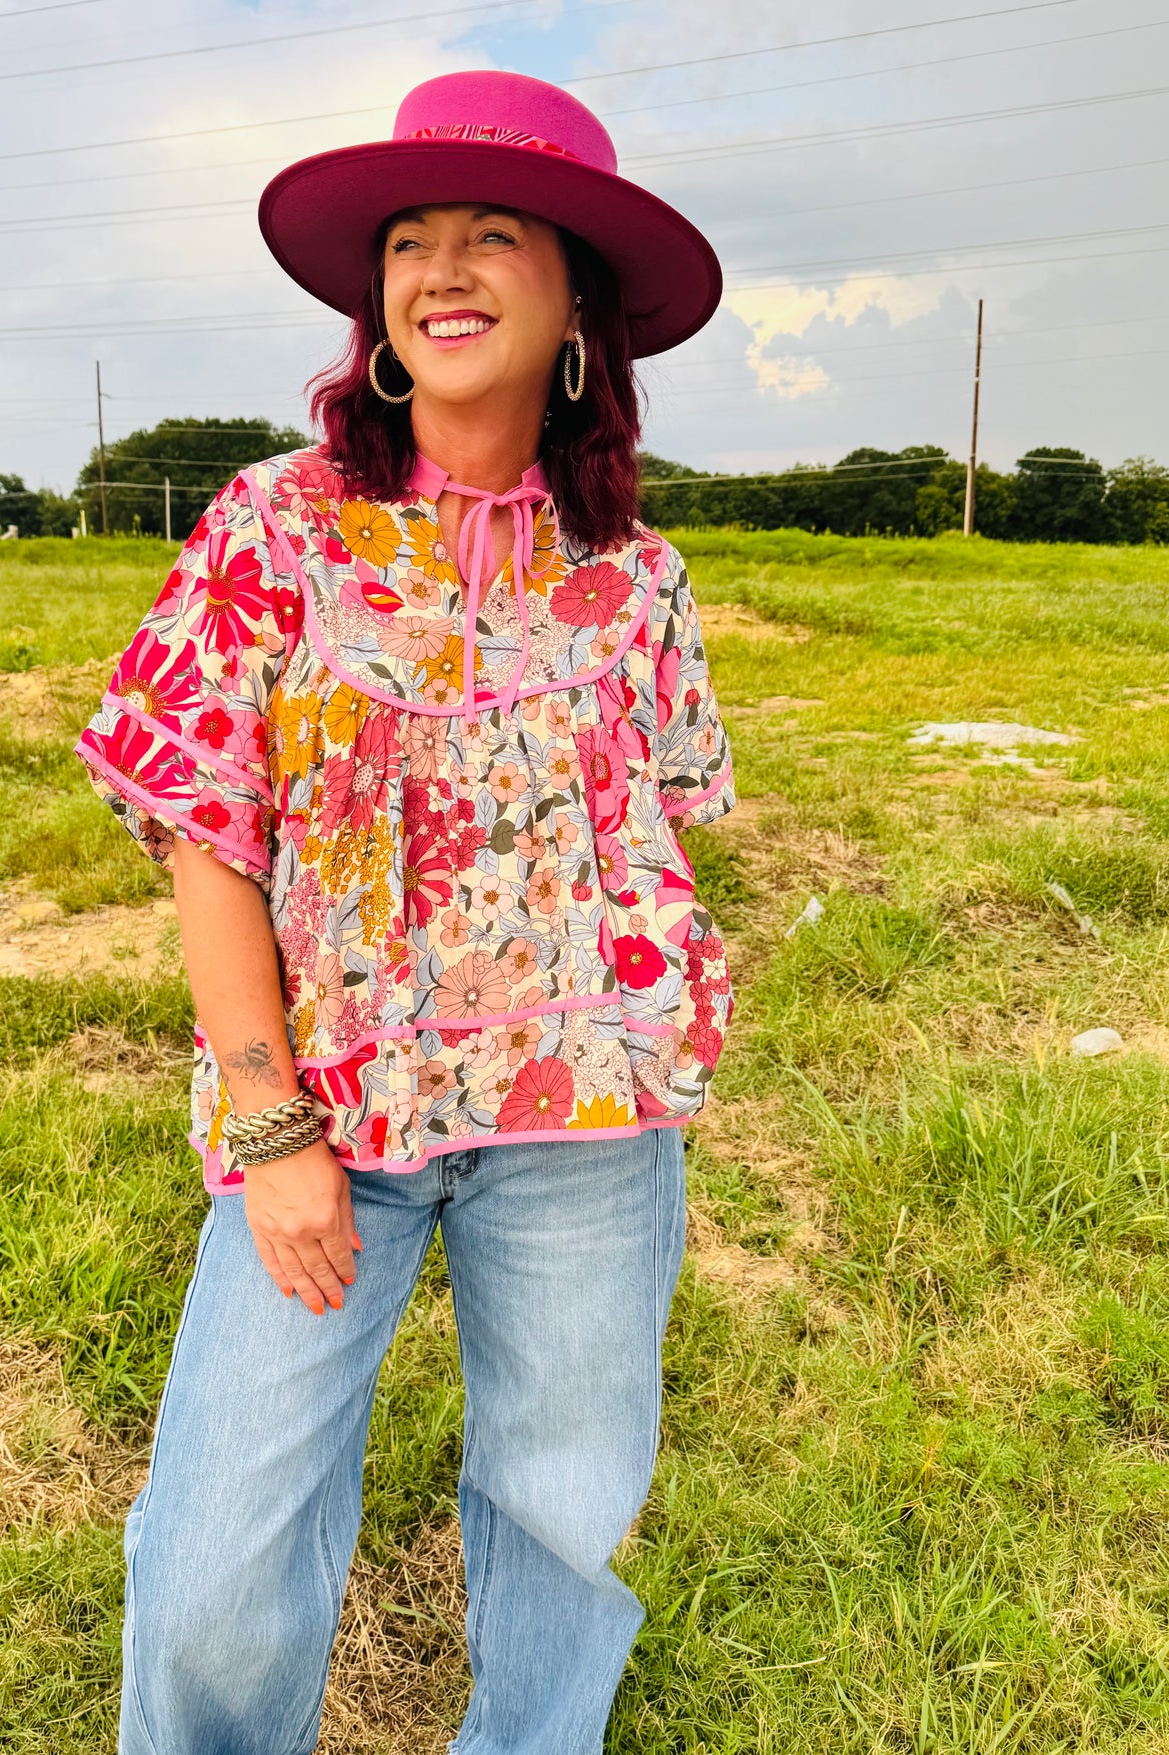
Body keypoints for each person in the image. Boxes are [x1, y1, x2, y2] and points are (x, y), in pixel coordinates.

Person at [76, 67, 735, 1755]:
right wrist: (270, 1113)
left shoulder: (634, 571)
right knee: (219, 1537)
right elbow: (200, 830)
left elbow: (651, 833)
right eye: (412, 241)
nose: (443, 269)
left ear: (578, 296)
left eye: (494, 234)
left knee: (562, 1516)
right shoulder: (280, 527)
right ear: (375, 306)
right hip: (334, 1113)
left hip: (585, 1121)